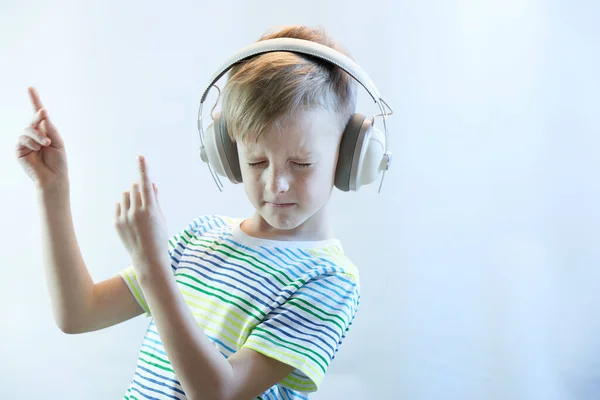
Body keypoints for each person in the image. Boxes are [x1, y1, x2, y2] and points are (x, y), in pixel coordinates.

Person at [16, 25, 365, 399]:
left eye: (301, 162)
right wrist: (53, 190)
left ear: (347, 158)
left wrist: (152, 267)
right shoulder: (201, 237)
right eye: (257, 161)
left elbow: (220, 393)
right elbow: (79, 313)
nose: (276, 183)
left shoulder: (330, 280)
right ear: (230, 157)